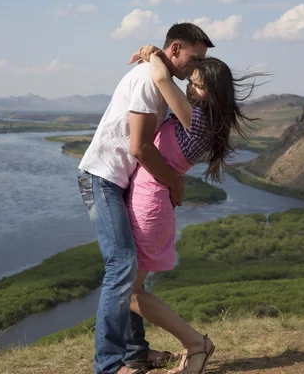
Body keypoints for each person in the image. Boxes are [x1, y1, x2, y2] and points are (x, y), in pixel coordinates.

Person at [77, 23, 214, 374]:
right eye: (195, 60)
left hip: (119, 181)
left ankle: (135, 352)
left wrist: (152, 52)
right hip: (103, 179)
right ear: (177, 49)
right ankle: (109, 366)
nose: (195, 69)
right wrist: (174, 184)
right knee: (122, 267)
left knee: (130, 270)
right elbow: (139, 148)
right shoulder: (146, 83)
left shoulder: (161, 81)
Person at [124, 47, 259, 374]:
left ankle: (197, 343)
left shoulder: (197, 120)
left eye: (197, 85)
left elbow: (159, 76)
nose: (189, 87)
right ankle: (188, 347)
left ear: (213, 94)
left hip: (152, 204)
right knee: (127, 289)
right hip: (149, 200)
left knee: (127, 292)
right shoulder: (199, 115)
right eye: (191, 82)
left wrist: (151, 52)